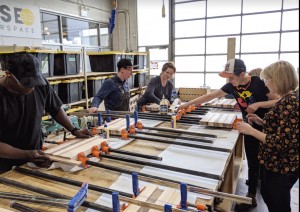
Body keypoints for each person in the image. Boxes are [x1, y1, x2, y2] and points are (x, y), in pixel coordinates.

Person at [177, 58, 278, 210]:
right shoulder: (232, 85)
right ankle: (251, 195)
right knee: (251, 157)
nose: (230, 80)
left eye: (231, 77)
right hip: (250, 125)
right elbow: (211, 96)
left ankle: (263, 189)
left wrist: (258, 104)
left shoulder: (258, 83)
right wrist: (186, 104)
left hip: (267, 125)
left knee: (265, 161)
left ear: (242, 73)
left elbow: (278, 100)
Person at [0, 52, 93, 173]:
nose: (32, 88)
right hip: (5, 164)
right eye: (27, 84)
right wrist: (25, 154)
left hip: (34, 156)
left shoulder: (40, 84)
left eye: (34, 82)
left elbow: (55, 108)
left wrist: (74, 130)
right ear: (8, 75)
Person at [237, 60, 299, 212]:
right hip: (275, 164)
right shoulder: (284, 100)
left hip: (282, 166)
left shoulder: (290, 103)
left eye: (267, 80)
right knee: (269, 195)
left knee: (278, 203)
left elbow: (281, 142)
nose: (265, 84)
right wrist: (261, 121)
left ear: (278, 79)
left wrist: (251, 130)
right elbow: (282, 129)